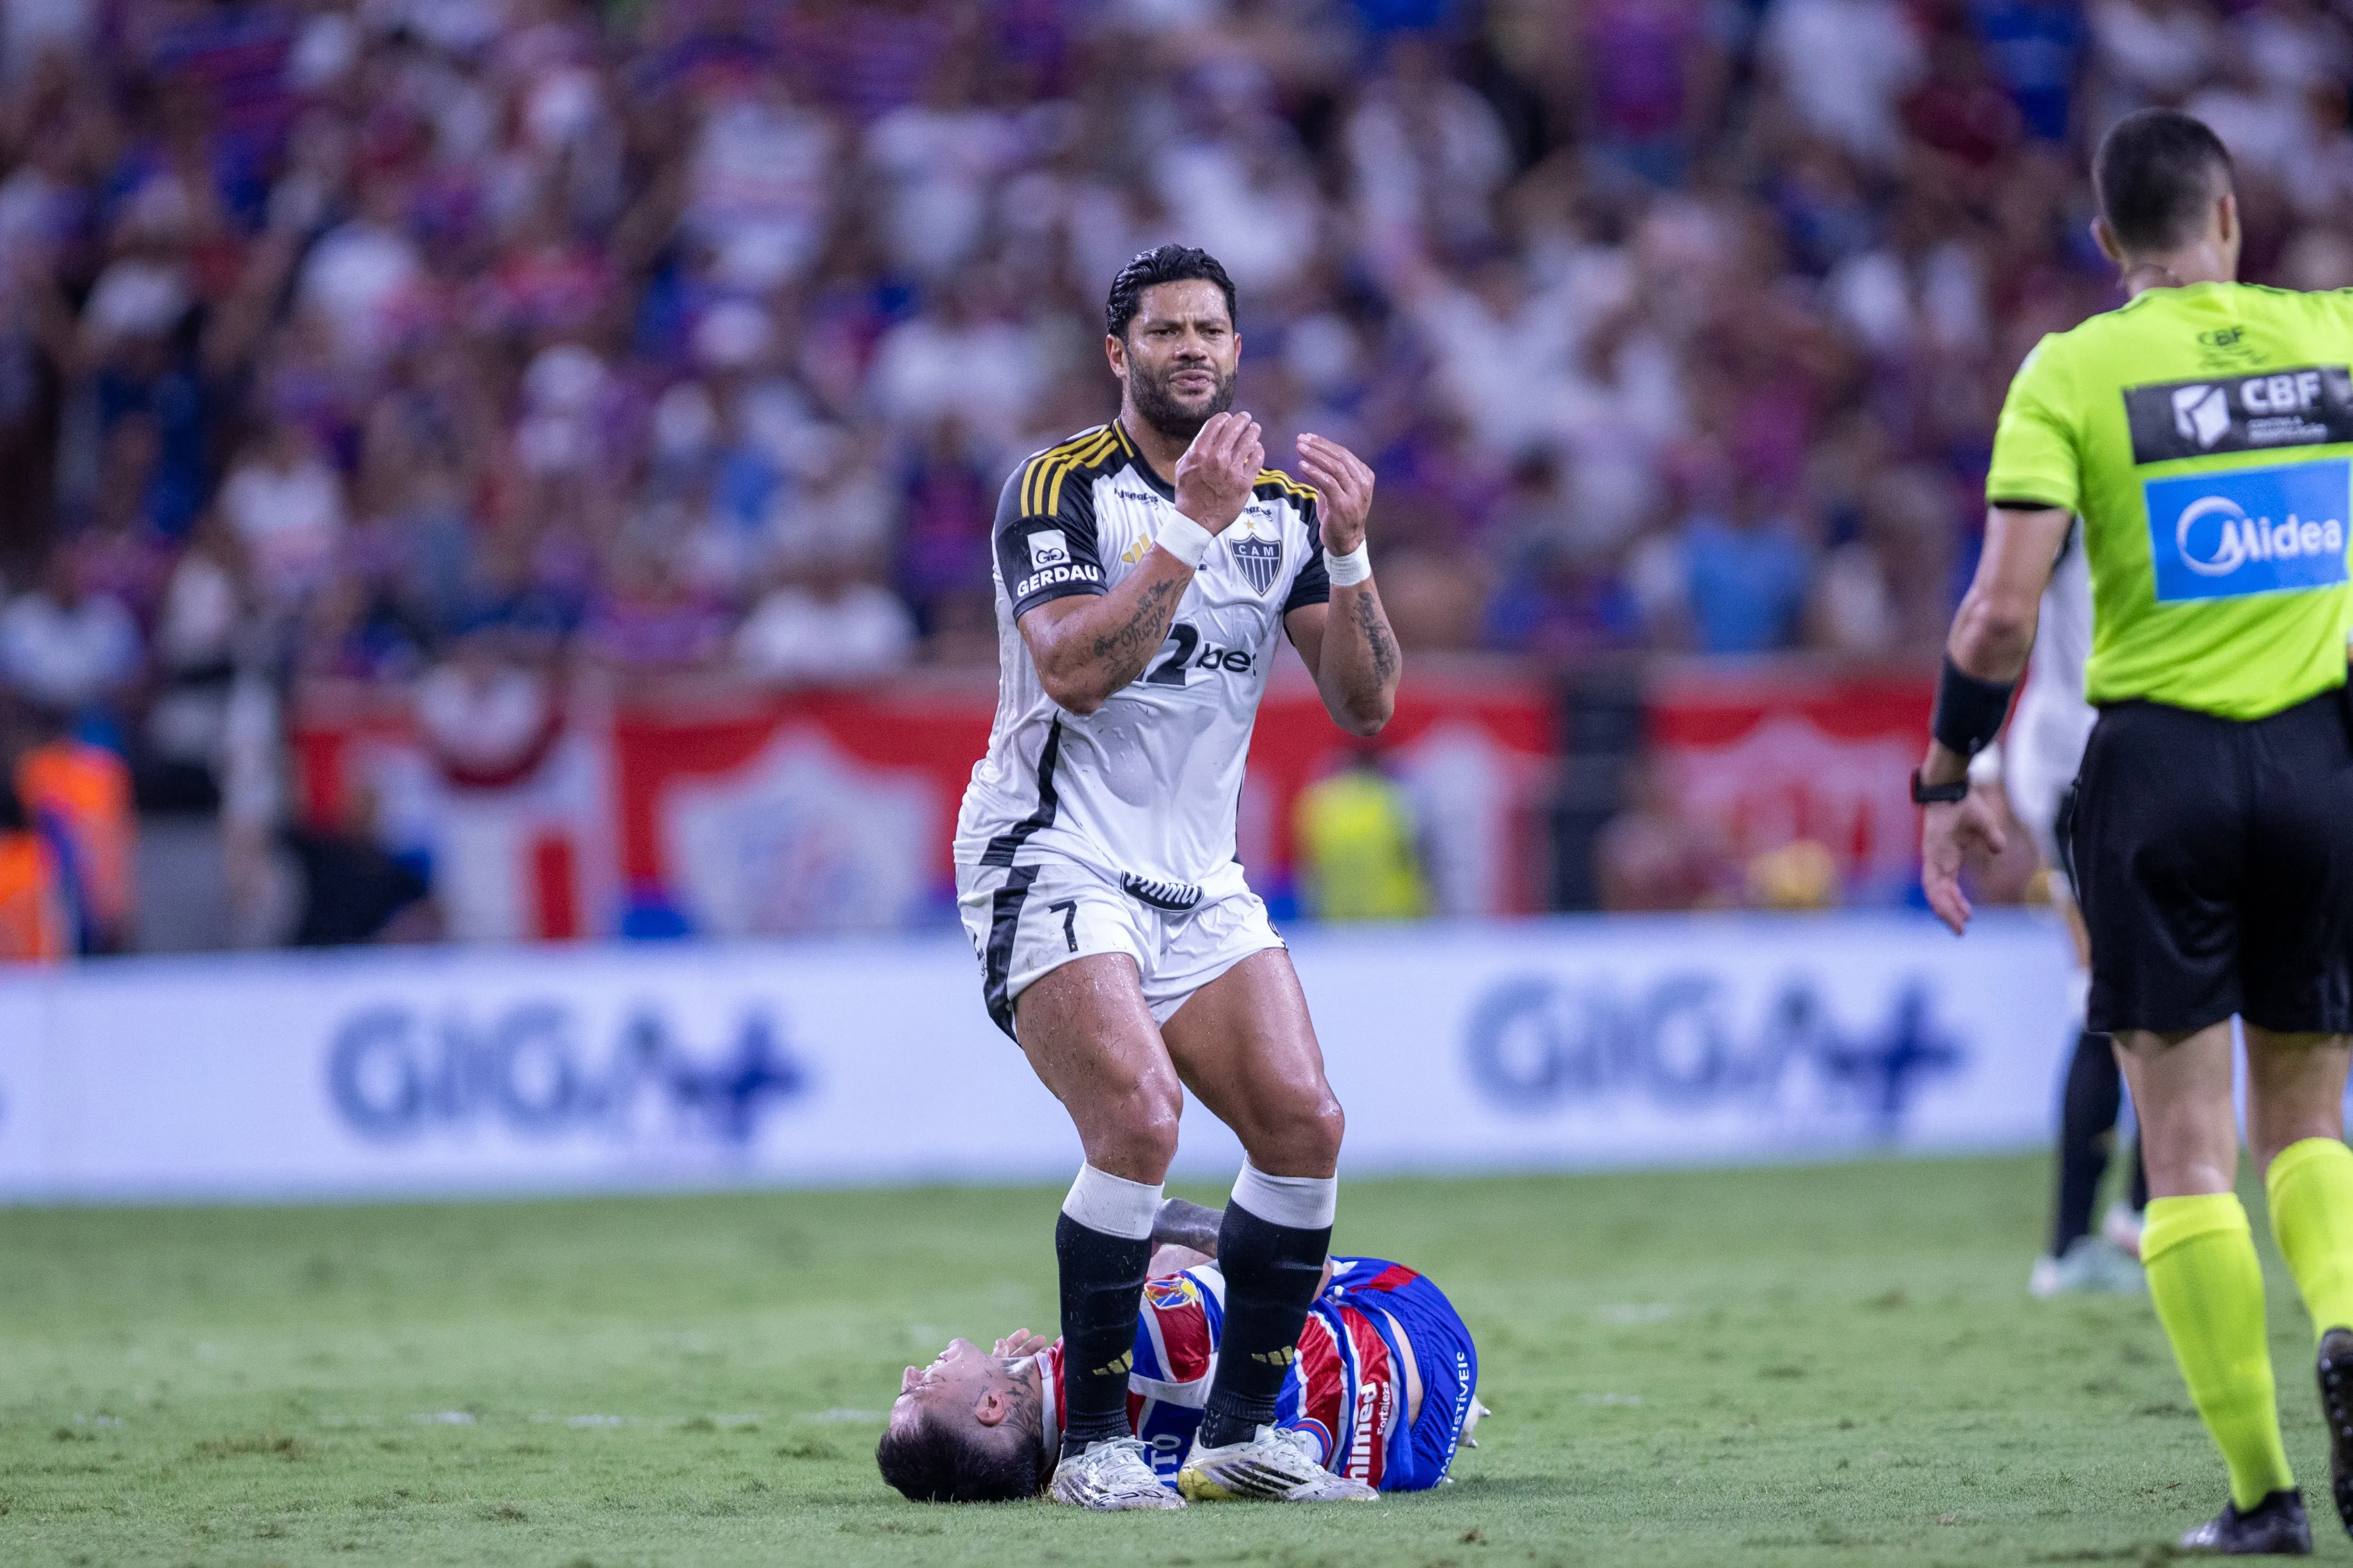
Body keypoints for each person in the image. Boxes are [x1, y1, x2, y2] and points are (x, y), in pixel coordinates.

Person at [1918, 109, 2353, 1554]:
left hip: (2152, 770)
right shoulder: (2329, 338)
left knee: (2182, 1152)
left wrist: (1942, 772)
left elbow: (1994, 611)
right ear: (2229, 216)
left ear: (2106, 243)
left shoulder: (2070, 369)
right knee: (2304, 1113)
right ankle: (2345, 1321)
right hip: (2318, 760)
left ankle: (2259, 1493)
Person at [952, 245, 1404, 1510]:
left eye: (1211, 329)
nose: (1190, 348)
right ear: (1118, 353)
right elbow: (1075, 671)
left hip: (1193, 877)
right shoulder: (1052, 489)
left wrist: (1353, 551)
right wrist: (1191, 529)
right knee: (1140, 1121)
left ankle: (1240, 1435)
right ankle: (1094, 1447)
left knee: (1303, 1123)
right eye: (1164, 332)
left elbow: (1365, 705)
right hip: (1049, 851)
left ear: (1236, 351)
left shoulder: (1275, 506)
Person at [877, 1199, 1485, 1503]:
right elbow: (1303, 1271)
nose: (909, 1371)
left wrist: (1024, 1377)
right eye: (918, 1389)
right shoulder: (1144, 1331)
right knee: (1168, 1249)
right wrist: (1164, 1218)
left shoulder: (1076, 1477)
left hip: (1408, 1463)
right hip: (1417, 1337)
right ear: (987, 1406)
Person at [1999, 523, 2150, 1300]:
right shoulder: (2076, 481)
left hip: (2114, 753)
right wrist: (1978, 758)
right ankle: (2094, 1233)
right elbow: (2002, 608)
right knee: (2113, 991)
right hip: (2081, 763)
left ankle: (2126, 1217)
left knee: (2144, 982)